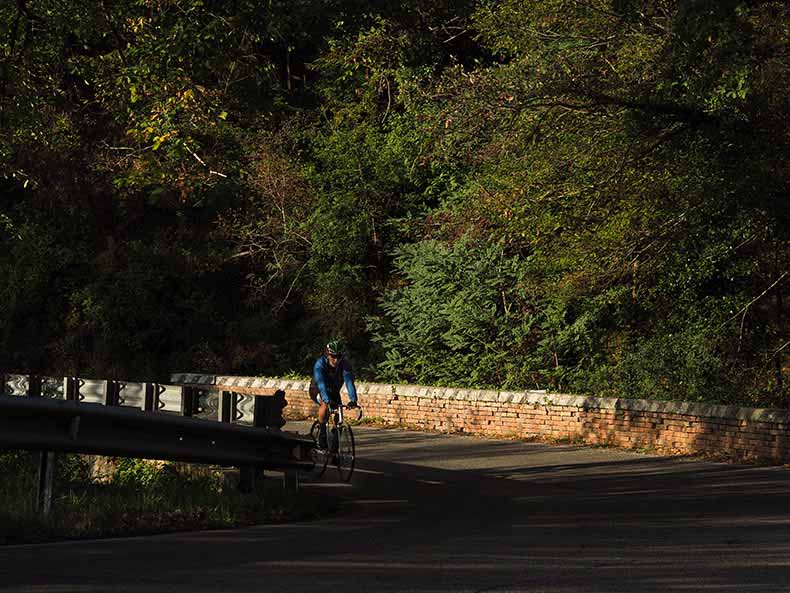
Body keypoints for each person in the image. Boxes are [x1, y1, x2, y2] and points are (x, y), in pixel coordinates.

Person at [309, 338, 359, 450]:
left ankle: (335, 446)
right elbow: (321, 384)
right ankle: (322, 432)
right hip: (317, 388)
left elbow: (349, 382)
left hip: (333, 389)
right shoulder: (320, 364)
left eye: (339, 357)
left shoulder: (345, 365)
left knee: (339, 415)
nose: (336, 360)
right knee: (325, 404)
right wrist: (326, 399)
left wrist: (353, 400)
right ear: (328, 355)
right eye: (333, 356)